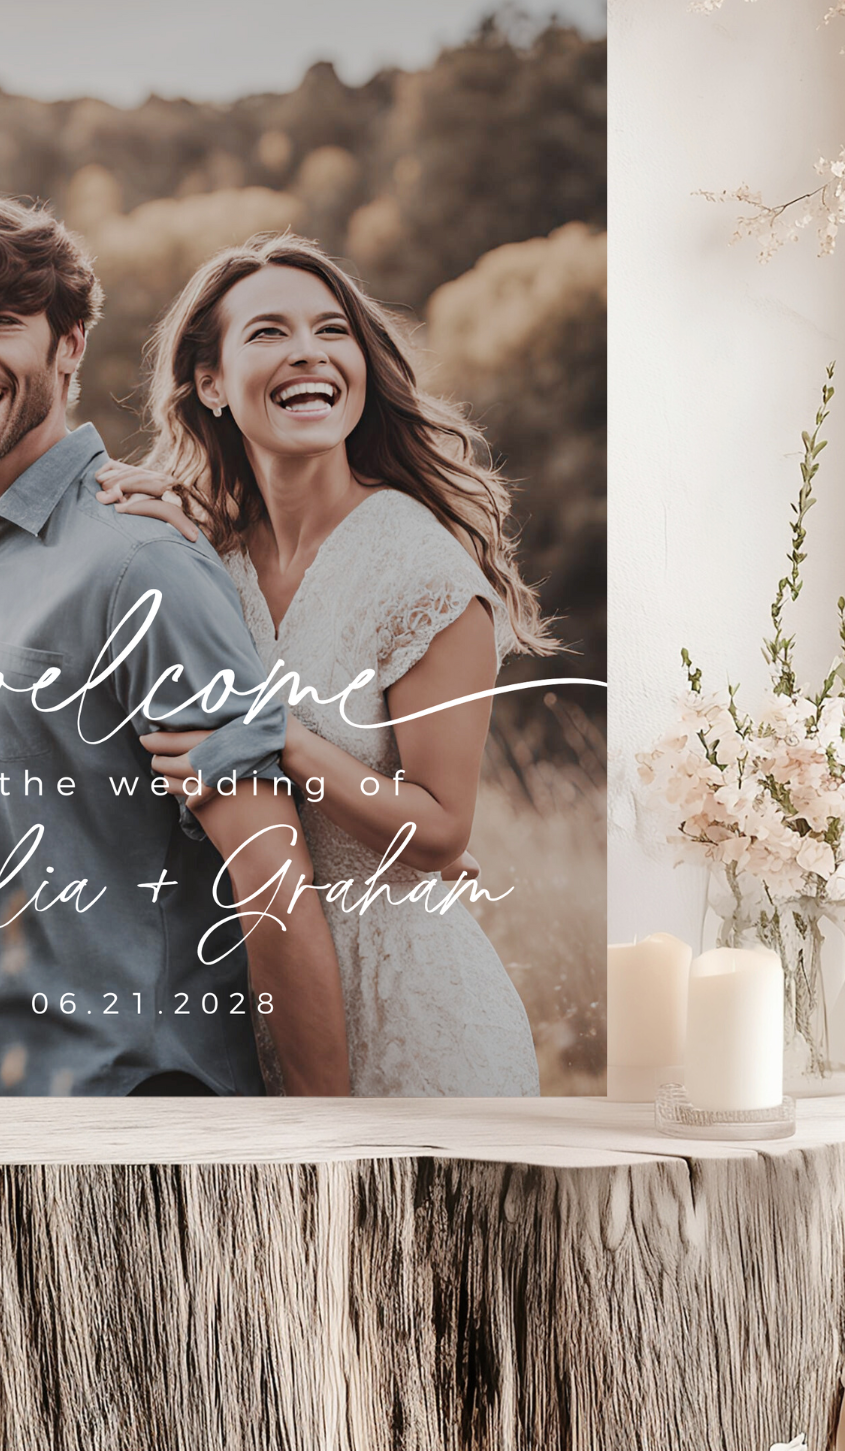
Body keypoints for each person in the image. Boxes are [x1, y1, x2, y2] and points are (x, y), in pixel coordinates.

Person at [0, 195, 350, 1097]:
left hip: (126, 1125)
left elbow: (269, 875)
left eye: (1, 321)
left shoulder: (142, 563)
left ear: (70, 345)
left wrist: (322, 1147)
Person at [98, 232, 549, 1096]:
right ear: (210, 383)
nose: (308, 351)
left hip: (418, 1015)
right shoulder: (209, 559)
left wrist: (286, 740)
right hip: (258, 995)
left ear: (362, 368)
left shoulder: (419, 567)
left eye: (331, 330)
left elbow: (442, 831)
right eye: (269, 332)